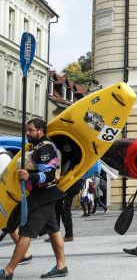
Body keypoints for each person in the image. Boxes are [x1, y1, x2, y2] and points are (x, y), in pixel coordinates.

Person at [0, 118, 69, 279]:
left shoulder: (45, 148)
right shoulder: (35, 147)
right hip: (40, 195)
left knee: (26, 232)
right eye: (27, 130)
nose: (27, 133)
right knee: (53, 230)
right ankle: (61, 266)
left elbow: (50, 175)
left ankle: (9, 271)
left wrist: (29, 176)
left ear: (40, 131)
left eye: (31, 130)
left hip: (44, 196)